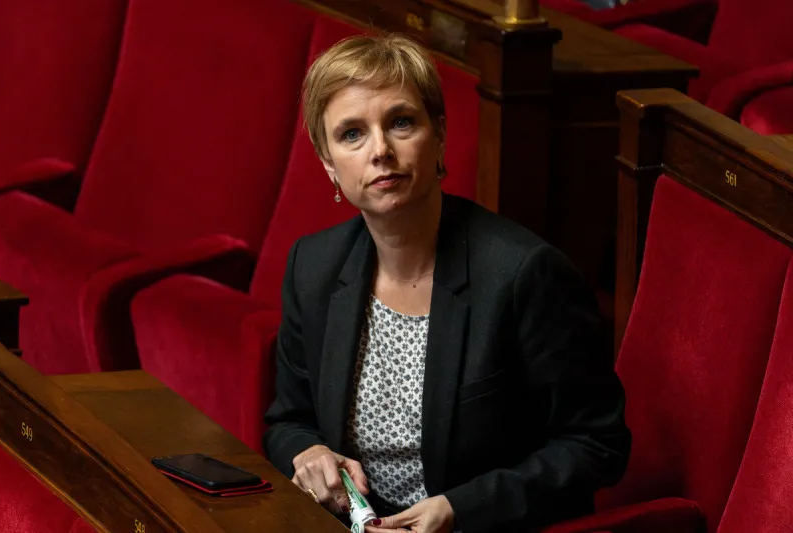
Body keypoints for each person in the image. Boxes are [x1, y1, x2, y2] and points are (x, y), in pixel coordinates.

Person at [263, 33, 630, 533]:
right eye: (352, 134)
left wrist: (461, 508)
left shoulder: (524, 274)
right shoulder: (314, 265)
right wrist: (308, 454)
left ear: (438, 135)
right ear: (329, 164)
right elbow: (288, 420)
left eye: (400, 122)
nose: (381, 150)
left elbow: (596, 444)